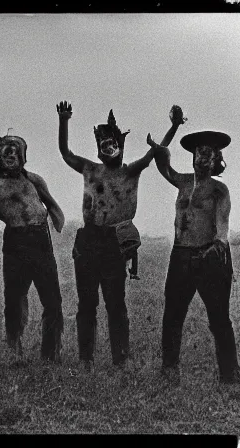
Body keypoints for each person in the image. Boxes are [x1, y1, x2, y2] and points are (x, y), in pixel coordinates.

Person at [56, 102, 174, 371]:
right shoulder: (89, 169)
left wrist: (174, 126)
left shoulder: (129, 172)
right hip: (88, 240)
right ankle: (86, 359)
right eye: (103, 145)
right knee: (86, 303)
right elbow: (65, 152)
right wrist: (64, 120)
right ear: (98, 149)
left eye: (112, 144)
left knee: (115, 302)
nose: (108, 149)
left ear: (121, 146)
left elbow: (156, 152)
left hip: (113, 241)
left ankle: (121, 359)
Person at [146, 119, 240, 384]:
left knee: (219, 318)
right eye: (199, 152)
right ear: (193, 157)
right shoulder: (182, 182)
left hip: (211, 258)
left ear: (216, 160)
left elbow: (222, 225)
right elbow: (161, 160)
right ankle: (169, 371)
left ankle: (230, 375)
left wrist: (218, 245)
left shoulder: (219, 190)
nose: (203, 157)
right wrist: (170, 130)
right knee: (172, 316)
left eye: (208, 153)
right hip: (181, 257)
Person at [0, 133, 65, 364]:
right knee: (13, 297)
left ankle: (51, 352)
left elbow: (50, 203)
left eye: (15, 152)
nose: (10, 156)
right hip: (15, 240)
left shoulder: (34, 180)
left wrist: (58, 222)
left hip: (40, 239)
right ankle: (14, 348)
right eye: (5, 152)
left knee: (52, 300)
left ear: (23, 156)